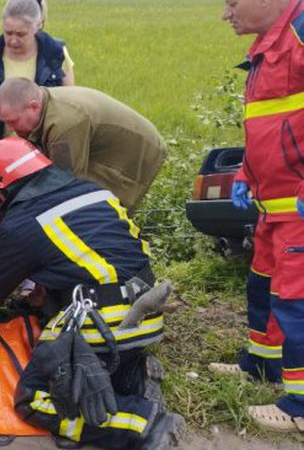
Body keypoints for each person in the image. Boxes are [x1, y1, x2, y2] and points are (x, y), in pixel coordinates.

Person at [0, 137, 182, 449]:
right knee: (78, 358)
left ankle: (141, 424)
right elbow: (93, 257)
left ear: (1, 190)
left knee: (33, 400)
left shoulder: (21, 225)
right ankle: (130, 374)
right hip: (146, 318)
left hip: (104, 325)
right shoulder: (94, 193)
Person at [208, 0, 304, 433]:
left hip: (298, 210)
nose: (226, 15)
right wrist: (248, 172)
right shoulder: (268, 47)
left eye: (232, 3)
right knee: (263, 286)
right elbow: (268, 124)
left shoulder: (301, 33)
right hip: (273, 208)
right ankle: (262, 365)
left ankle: (300, 409)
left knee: (297, 303)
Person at [0, 78, 166, 212]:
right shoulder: (42, 103)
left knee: (99, 209)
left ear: (33, 106)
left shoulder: (64, 124)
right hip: (102, 143)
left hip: (135, 149)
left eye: (13, 121)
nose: (10, 129)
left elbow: (64, 181)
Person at [0, 0, 75, 207]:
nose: (13, 40)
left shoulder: (56, 55)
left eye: (21, 34)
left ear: (38, 25)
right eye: (8, 32)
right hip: (1, 155)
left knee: (44, 208)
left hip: (45, 151)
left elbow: (69, 104)